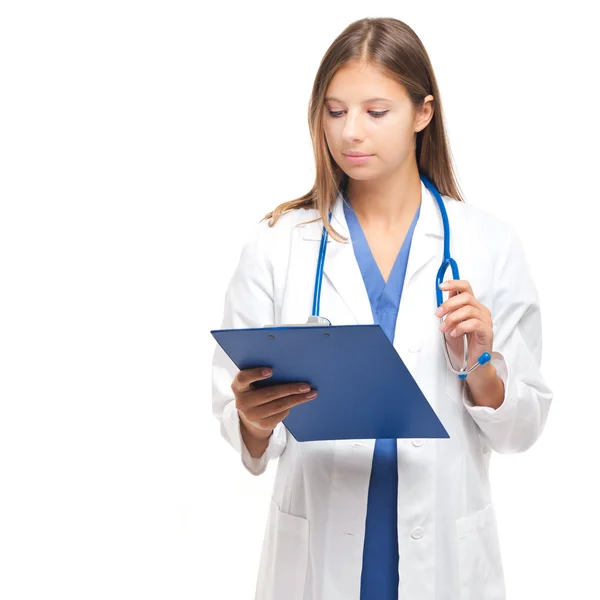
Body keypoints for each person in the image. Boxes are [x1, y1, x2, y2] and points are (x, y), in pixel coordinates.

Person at [211, 16, 553, 600]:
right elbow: (238, 418)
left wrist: (482, 368)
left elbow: (521, 431)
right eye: (336, 111)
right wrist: (252, 418)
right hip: (319, 554)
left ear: (424, 113)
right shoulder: (276, 244)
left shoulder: (487, 245)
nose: (350, 134)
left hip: (445, 556)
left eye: (376, 112)